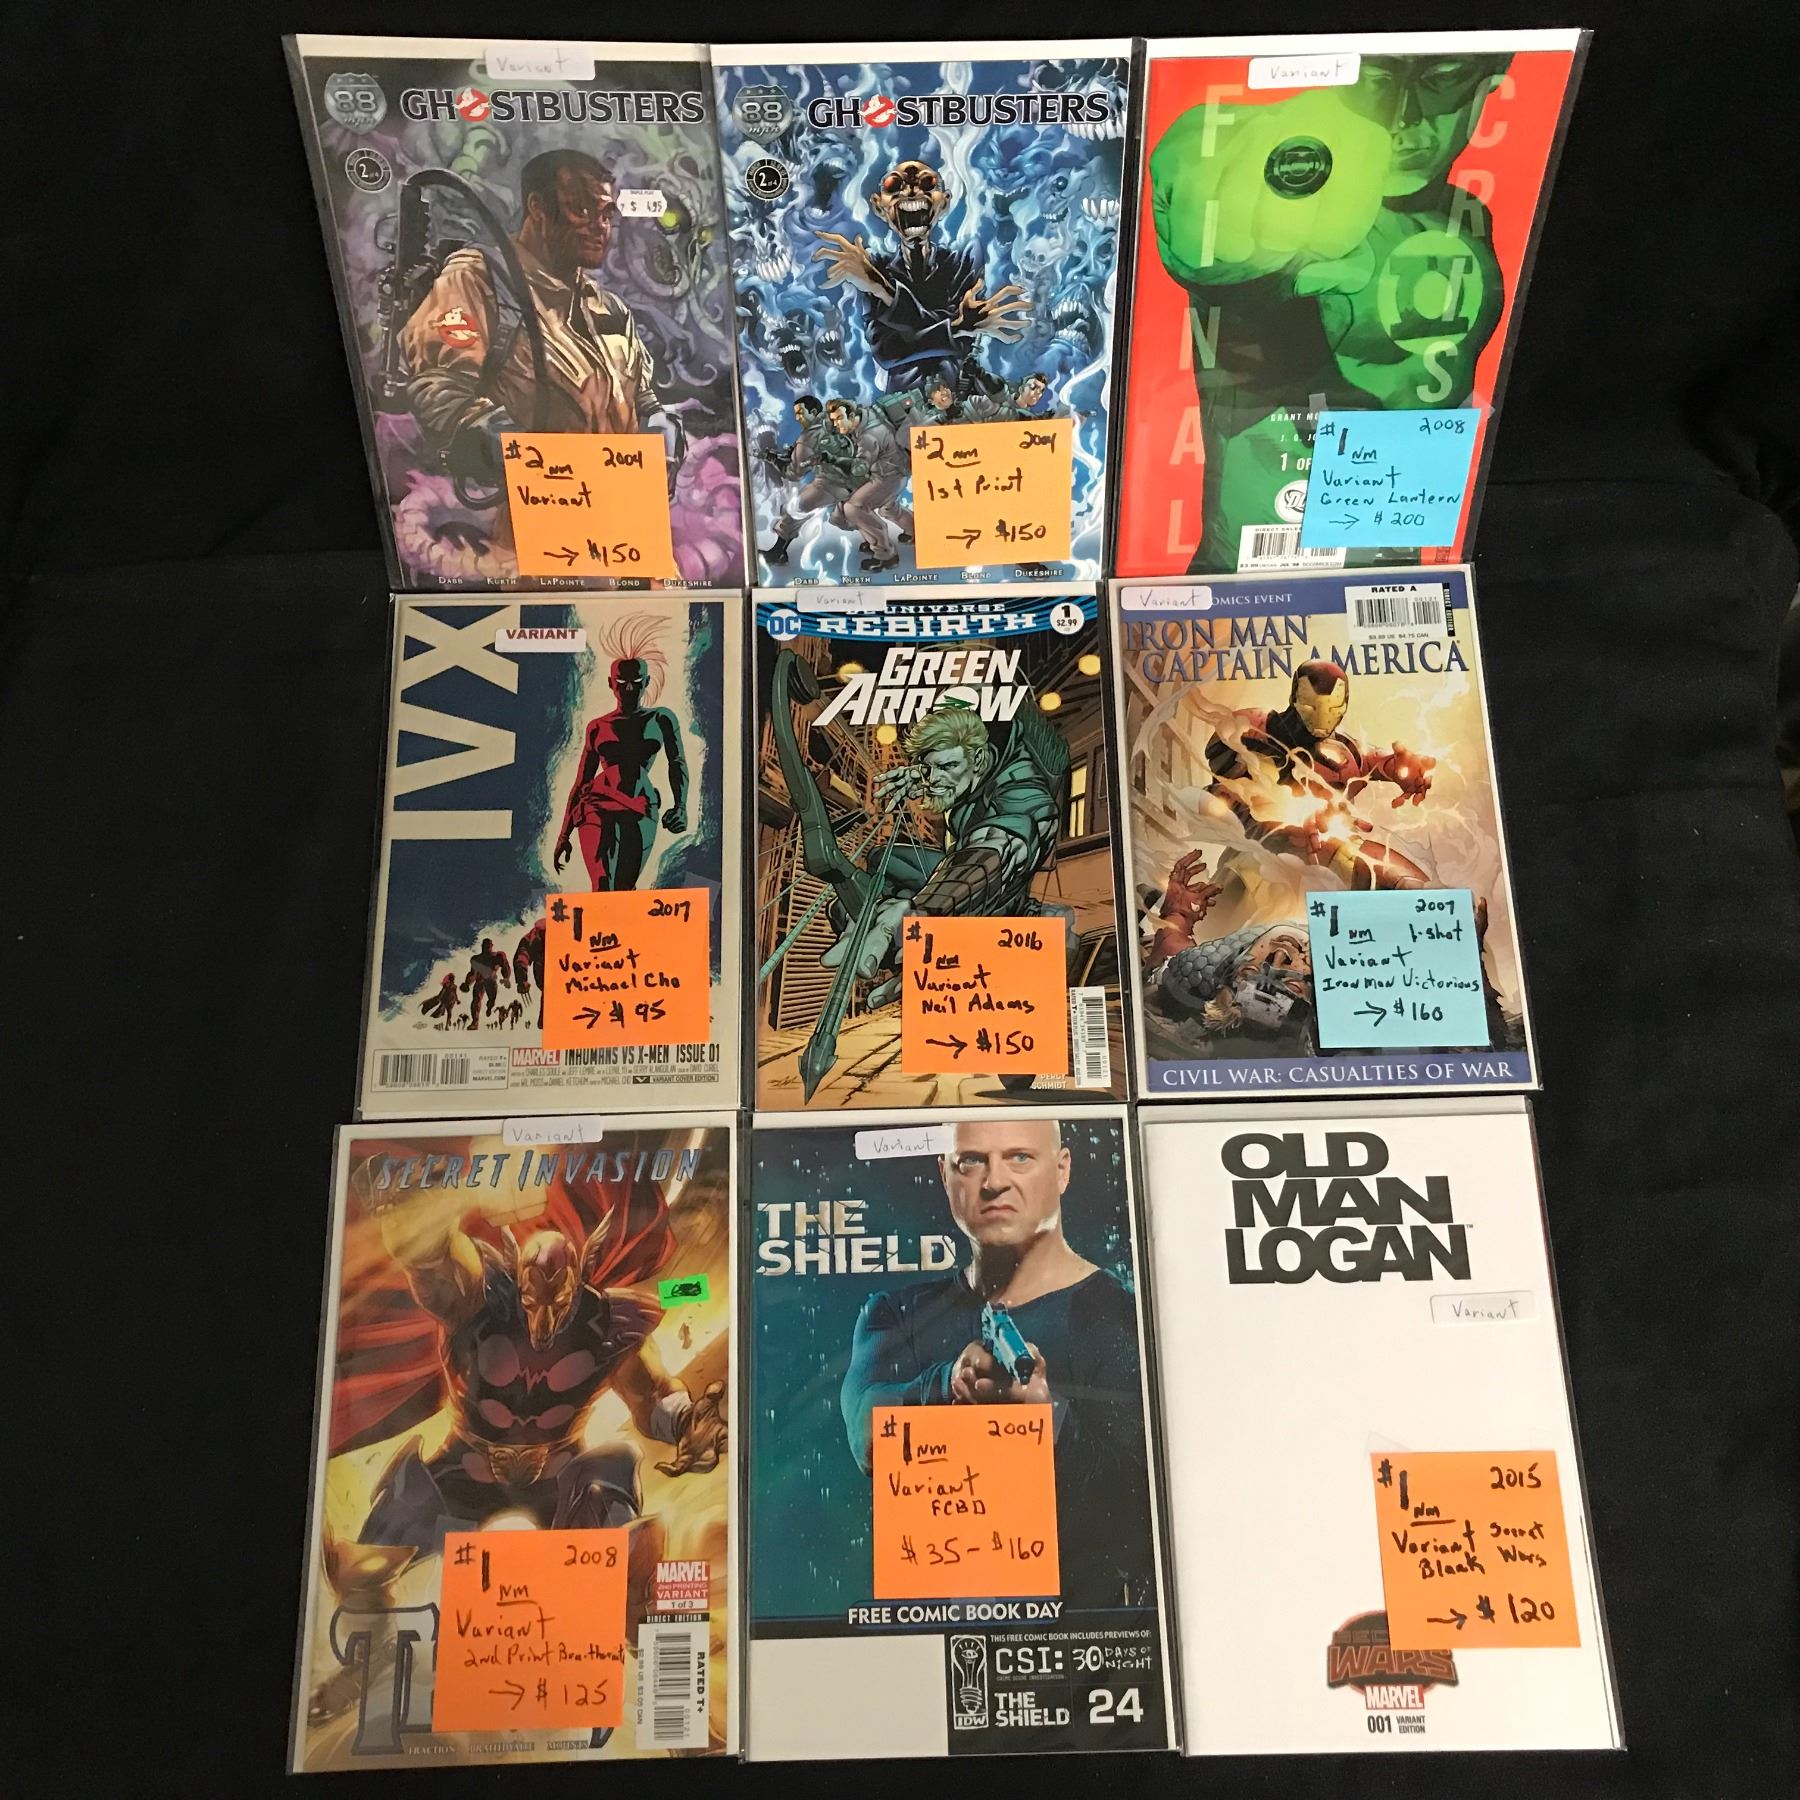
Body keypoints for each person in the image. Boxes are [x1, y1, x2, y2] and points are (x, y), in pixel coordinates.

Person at [1150, 54, 1511, 570]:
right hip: (1249, 572)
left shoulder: (1468, 218)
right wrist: (1223, 201)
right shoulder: (1300, 211)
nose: (1405, 118)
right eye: (1378, 82)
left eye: (1443, 80)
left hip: (1395, 563)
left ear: (1491, 82)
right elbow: (1223, 235)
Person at [839, 1119, 1153, 1607]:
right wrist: (947, 1384)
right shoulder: (896, 1314)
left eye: (1019, 1157)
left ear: (1062, 1169)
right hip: (930, 1619)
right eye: (971, 1161)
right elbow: (867, 1438)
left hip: (1072, 1627)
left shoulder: (1126, 1319)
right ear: (945, 1174)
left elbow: (1142, 1513)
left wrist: (1046, 1421)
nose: (994, 1182)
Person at [401, 148, 684, 497]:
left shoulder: (608, 308)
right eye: (581, 209)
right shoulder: (479, 280)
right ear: (537, 207)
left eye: (606, 214)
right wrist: (512, 453)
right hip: (531, 509)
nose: (599, 227)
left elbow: (643, 400)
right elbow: (439, 387)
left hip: (618, 511)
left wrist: (661, 426)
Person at [812, 158, 1030, 392]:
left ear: (944, 203)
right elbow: (887, 352)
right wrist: (957, 326)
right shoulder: (873, 265)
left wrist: (883, 290)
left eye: (927, 183)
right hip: (904, 402)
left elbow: (963, 345)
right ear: (878, 207)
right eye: (895, 185)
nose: (911, 190)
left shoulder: (962, 259)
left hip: (959, 394)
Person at [554, 628, 687, 891]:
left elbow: (677, 762)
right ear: (610, 683)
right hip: (597, 804)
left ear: (646, 682)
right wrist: (564, 833)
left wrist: (680, 806)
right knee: (602, 884)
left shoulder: (661, 719)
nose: (628, 688)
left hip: (640, 805)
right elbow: (581, 782)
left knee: (625, 887)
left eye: (636, 682)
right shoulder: (597, 727)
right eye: (622, 682)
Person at [459, 937, 511, 1025]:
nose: (486, 947)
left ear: (491, 946)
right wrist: (467, 983)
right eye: (484, 945)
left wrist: (506, 978)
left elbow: (505, 966)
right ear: (482, 946)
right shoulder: (476, 959)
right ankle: (475, 1022)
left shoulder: (497, 956)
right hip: (480, 982)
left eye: (488, 945)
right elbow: (473, 974)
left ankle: (489, 1008)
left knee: (491, 1000)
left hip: (491, 982)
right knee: (476, 1000)